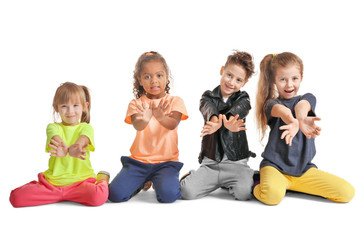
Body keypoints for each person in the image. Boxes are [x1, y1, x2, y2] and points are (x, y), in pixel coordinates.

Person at [254, 52, 355, 205]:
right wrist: (292, 120)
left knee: (346, 192)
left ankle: (294, 187)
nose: (289, 84)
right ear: (274, 81)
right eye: (282, 79)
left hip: (303, 170)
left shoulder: (308, 98)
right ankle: (255, 182)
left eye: (294, 78)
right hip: (275, 168)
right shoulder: (270, 104)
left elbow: (302, 106)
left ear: (301, 77)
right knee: (271, 196)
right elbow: (283, 111)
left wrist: (300, 119)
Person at [10, 82, 109, 207]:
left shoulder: (86, 127)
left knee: (98, 197)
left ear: (85, 106)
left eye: (75, 105)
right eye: (64, 106)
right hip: (52, 185)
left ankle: (103, 178)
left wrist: (77, 146)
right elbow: (54, 136)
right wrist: (62, 147)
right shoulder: (52, 127)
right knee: (16, 198)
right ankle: (45, 190)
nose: (70, 111)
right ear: (56, 107)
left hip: (80, 183)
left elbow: (84, 138)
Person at [108, 51, 188, 203]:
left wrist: (160, 116)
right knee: (115, 195)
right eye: (147, 77)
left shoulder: (175, 101)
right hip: (139, 162)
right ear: (140, 80)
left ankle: (160, 181)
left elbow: (172, 124)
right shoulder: (136, 104)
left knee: (168, 196)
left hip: (166, 163)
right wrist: (146, 117)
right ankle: (141, 183)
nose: (154, 81)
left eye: (159, 75)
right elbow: (137, 125)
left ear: (166, 76)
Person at [180, 51, 256, 200]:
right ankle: (193, 176)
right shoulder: (208, 96)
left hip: (236, 163)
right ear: (222, 71)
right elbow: (208, 109)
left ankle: (241, 178)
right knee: (187, 192)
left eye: (239, 80)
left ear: (244, 83)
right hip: (211, 164)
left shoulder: (243, 98)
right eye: (229, 75)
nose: (232, 82)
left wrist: (228, 121)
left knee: (244, 194)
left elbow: (240, 109)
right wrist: (216, 122)